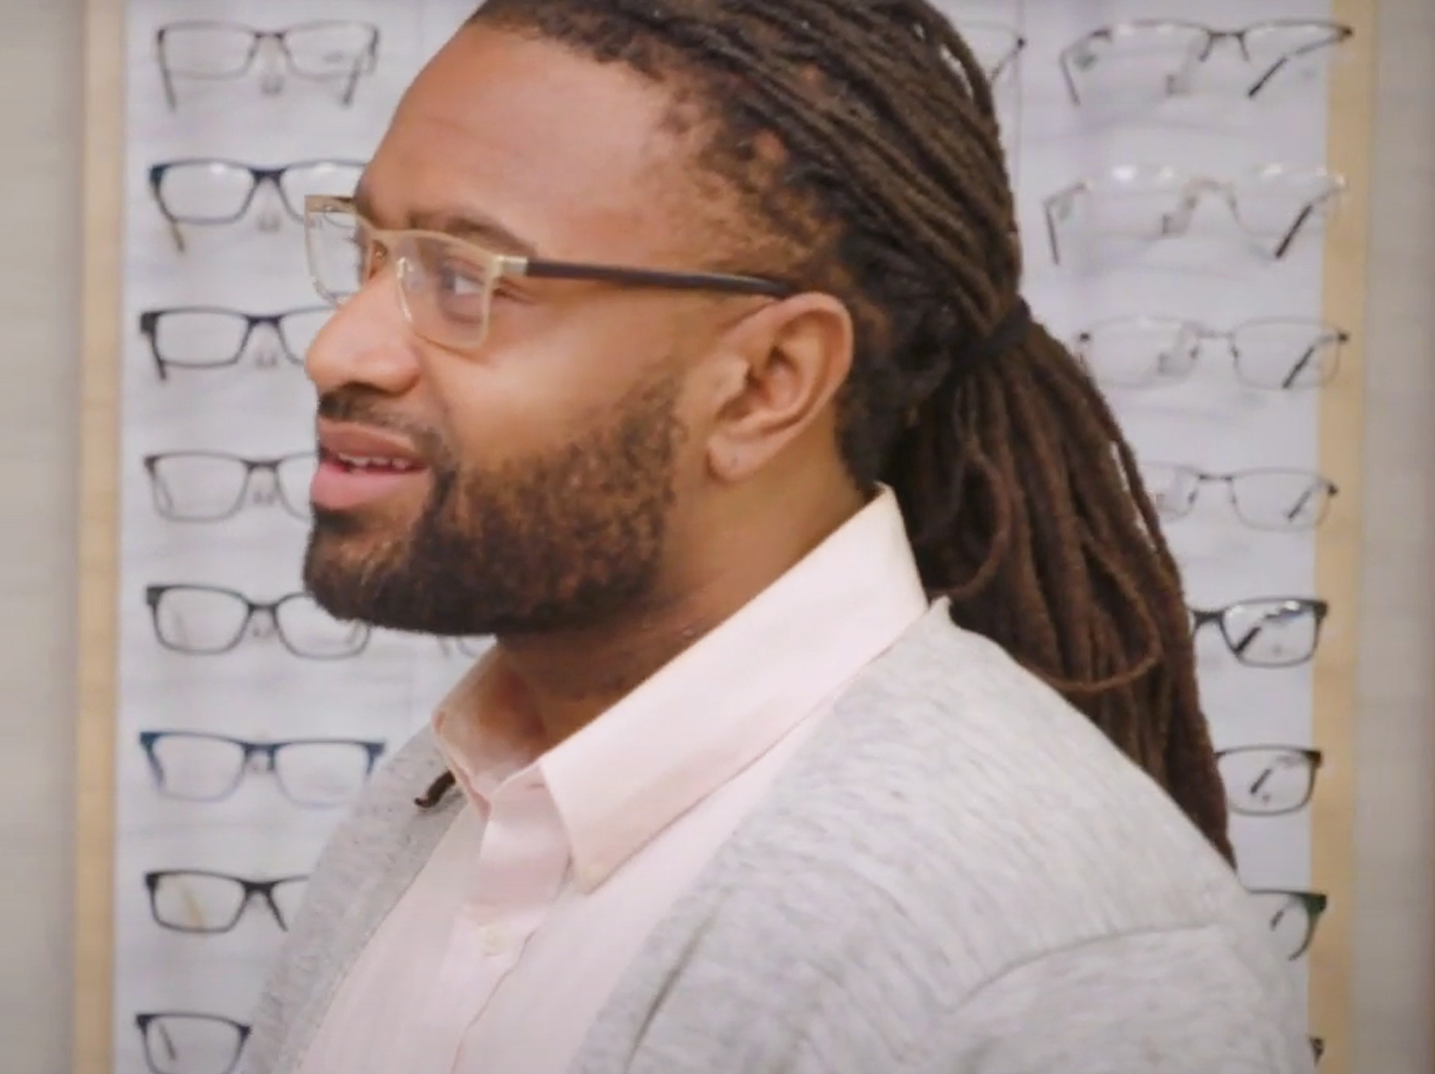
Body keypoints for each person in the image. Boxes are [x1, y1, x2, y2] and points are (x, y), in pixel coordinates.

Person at [244, 2, 1314, 1072]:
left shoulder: (1062, 962)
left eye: (466, 277)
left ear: (764, 385)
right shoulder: (449, 791)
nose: (342, 347)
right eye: (368, 250)